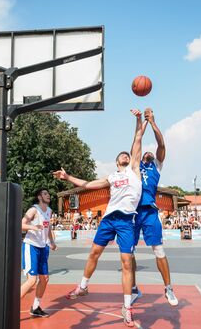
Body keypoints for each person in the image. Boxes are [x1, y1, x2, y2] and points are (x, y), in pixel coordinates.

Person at [53, 109, 143, 327]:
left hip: (125, 221)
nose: (126, 155)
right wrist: (67, 177)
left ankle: (127, 307)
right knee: (94, 252)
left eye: (128, 154)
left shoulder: (134, 170)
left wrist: (139, 119)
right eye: (122, 154)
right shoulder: (111, 177)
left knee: (126, 262)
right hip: (109, 219)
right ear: (116, 161)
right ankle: (83, 286)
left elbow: (138, 138)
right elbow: (86, 185)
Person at [132, 108, 178, 307]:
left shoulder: (156, 166)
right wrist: (141, 121)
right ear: (142, 156)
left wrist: (152, 122)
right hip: (133, 212)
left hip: (150, 211)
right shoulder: (135, 165)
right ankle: (133, 288)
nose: (150, 152)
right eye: (146, 152)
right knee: (128, 252)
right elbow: (137, 140)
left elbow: (161, 143)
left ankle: (168, 289)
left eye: (152, 152)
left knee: (159, 250)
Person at [20, 188, 57, 318]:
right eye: (45, 194)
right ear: (39, 197)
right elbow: (21, 224)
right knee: (31, 280)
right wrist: (33, 227)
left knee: (44, 278)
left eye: (48, 193)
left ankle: (35, 307)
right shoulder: (33, 210)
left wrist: (51, 241)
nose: (48, 195)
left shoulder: (49, 211)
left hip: (43, 247)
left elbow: (48, 227)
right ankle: (9, 306)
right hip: (31, 246)